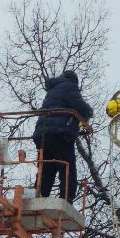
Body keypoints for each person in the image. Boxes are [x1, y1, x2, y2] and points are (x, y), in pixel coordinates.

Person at [33, 69, 92, 201]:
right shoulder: (69, 86)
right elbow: (82, 109)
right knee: (67, 167)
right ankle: (66, 199)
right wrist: (88, 115)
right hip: (59, 134)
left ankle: (39, 196)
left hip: (42, 135)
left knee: (46, 168)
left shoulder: (52, 90)